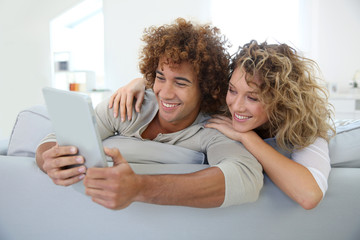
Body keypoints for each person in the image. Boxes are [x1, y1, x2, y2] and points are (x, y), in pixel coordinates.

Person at [35, 19, 263, 210]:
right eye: (160, 77)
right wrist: (48, 159)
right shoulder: (128, 104)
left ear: (205, 88)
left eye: (181, 83)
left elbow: (245, 177)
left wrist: (140, 187)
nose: (164, 92)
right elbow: (53, 139)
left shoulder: (212, 129)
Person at [109, 40, 335, 210]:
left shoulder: (306, 130)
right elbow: (181, 86)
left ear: (283, 100)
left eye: (253, 98)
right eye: (233, 90)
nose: (236, 106)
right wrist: (139, 83)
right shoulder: (221, 110)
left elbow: (309, 195)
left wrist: (248, 138)